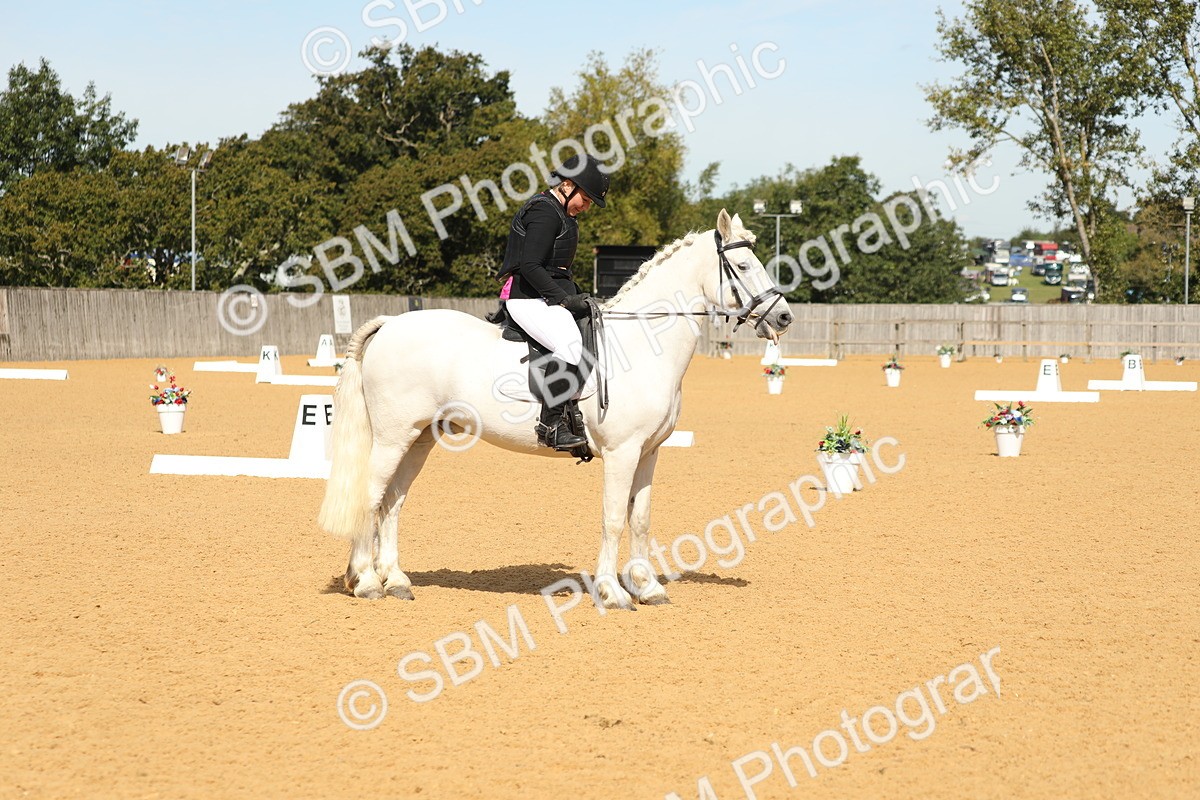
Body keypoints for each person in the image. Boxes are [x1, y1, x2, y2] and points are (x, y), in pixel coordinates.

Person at [496, 153, 610, 451]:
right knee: (570, 344)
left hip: (544, 297)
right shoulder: (545, 212)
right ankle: (551, 424)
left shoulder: (563, 214)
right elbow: (531, 265)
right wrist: (564, 300)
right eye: (585, 199)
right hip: (527, 298)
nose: (586, 207)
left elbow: (558, 269)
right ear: (568, 185)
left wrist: (577, 296)